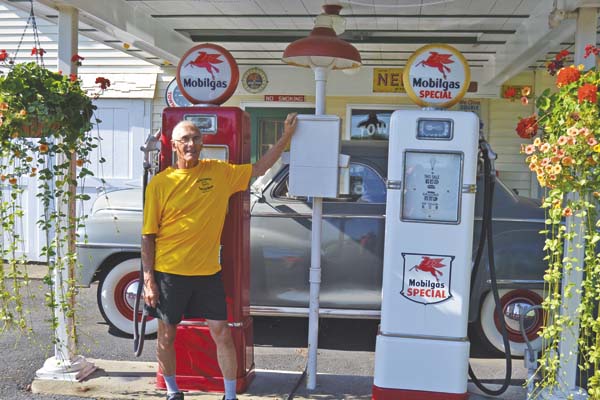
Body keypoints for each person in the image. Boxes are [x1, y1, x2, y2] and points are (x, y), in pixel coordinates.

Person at [142, 113, 298, 400]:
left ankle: (230, 395)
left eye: (196, 138)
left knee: (222, 333)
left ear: (203, 143)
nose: (191, 144)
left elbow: (259, 168)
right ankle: (173, 391)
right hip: (169, 271)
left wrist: (285, 138)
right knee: (166, 335)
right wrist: (148, 279)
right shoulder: (160, 184)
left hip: (207, 272)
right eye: (185, 139)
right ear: (174, 145)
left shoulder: (219, 172)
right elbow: (148, 235)